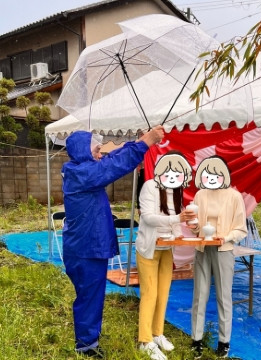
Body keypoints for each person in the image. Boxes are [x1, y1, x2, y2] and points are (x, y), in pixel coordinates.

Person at [61, 126, 164, 358]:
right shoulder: (82, 174)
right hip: (85, 249)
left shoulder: (80, 170)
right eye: (96, 150)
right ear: (82, 151)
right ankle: (86, 345)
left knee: (92, 294)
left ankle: (89, 336)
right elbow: (112, 166)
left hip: (87, 247)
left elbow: (111, 159)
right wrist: (145, 143)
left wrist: (136, 143)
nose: (100, 154)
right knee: (89, 295)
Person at [135, 151, 196, 360]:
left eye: (178, 173)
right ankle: (144, 340)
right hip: (149, 249)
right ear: (161, 171)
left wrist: (184, 229)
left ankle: (157, 333)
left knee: (163, 293)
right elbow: (149, 218)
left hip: (167, 250)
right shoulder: (150, 186)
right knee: (149, 293)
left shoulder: (176, 191)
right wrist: (178, 218)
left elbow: (175, 222)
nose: (173, 176)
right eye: (169, 172)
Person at [189, 155, 247, 359]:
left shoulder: (234, 196)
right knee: (199, 295)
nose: (211, 177)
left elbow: (241, 229)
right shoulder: (200, 195)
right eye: (207, 174)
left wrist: (227, 237)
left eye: (215, 173)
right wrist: (193, 225)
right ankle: (196, 340)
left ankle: (224, 341)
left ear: (223, 174)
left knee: (224, 296)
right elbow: (195, 225)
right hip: (203, 248)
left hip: (224, 250)